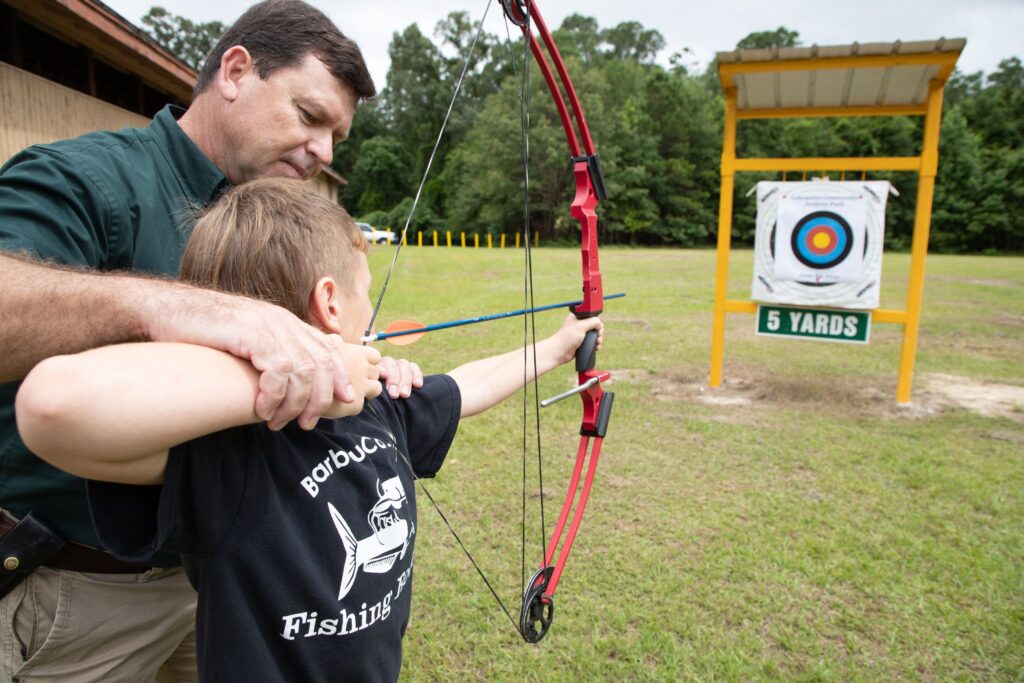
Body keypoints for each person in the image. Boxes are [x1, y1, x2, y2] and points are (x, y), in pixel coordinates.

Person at [15, 178, 604, 682]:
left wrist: (555, 348)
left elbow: (467, 387)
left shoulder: (377, 403)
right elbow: (51, 405)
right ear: (329, 302)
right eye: (365, 294)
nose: (370, 314)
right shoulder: (225, 451)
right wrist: (305, 371)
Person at [0, 1, 420, 680]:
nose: (325, 152)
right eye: (311, 116)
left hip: (224, 579)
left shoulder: (270, 212)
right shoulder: (90, 178)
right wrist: (184, 310)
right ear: (234, 71)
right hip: (76, 591)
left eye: (337, 134)